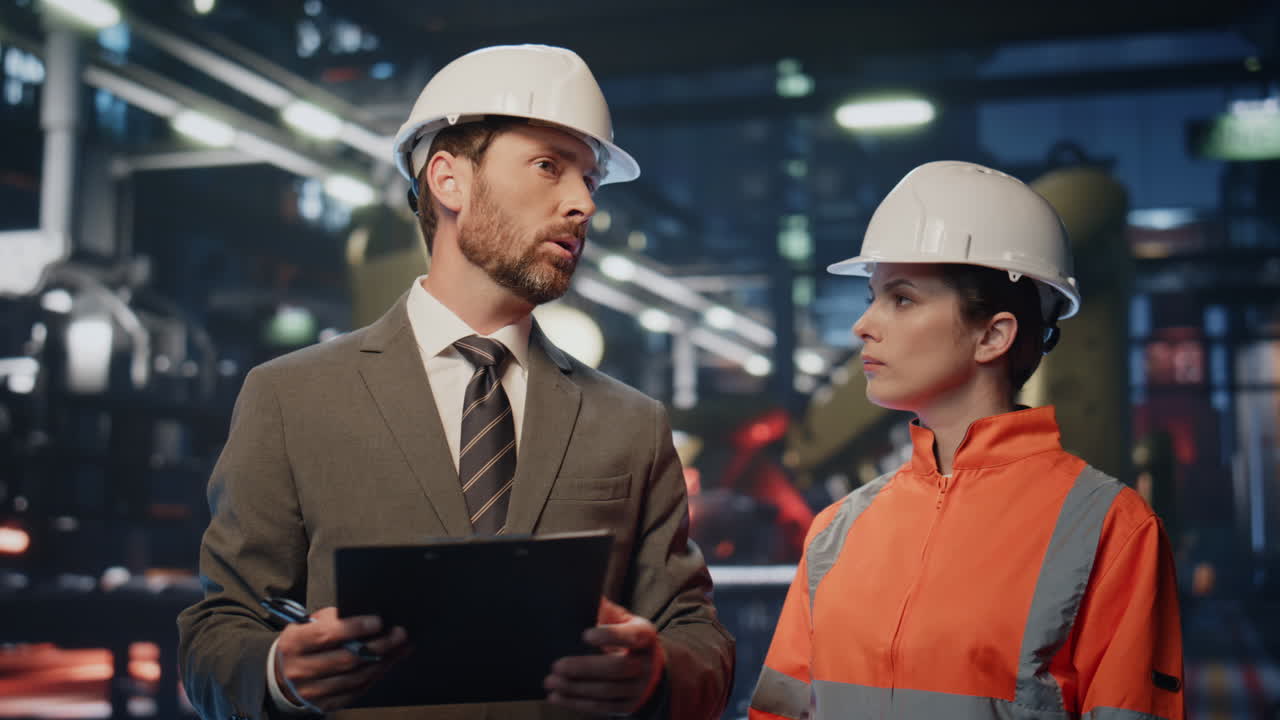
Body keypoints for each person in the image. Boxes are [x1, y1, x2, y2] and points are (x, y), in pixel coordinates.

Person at [178, 44, 734, 720]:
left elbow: (698, 634)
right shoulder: (291, 401)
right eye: (548, 166)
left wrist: (659, 675)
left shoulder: (630, 424)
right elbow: (218, 629)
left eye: (590, 179)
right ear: (449, 180)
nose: (583, 203)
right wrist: (276, 671)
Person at [749, 161, 1184, 720]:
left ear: (993, 334)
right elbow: (780, 711)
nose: (864, 325)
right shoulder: (837, 531)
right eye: (870, 297)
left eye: (901, 299)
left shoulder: (1111, 530)